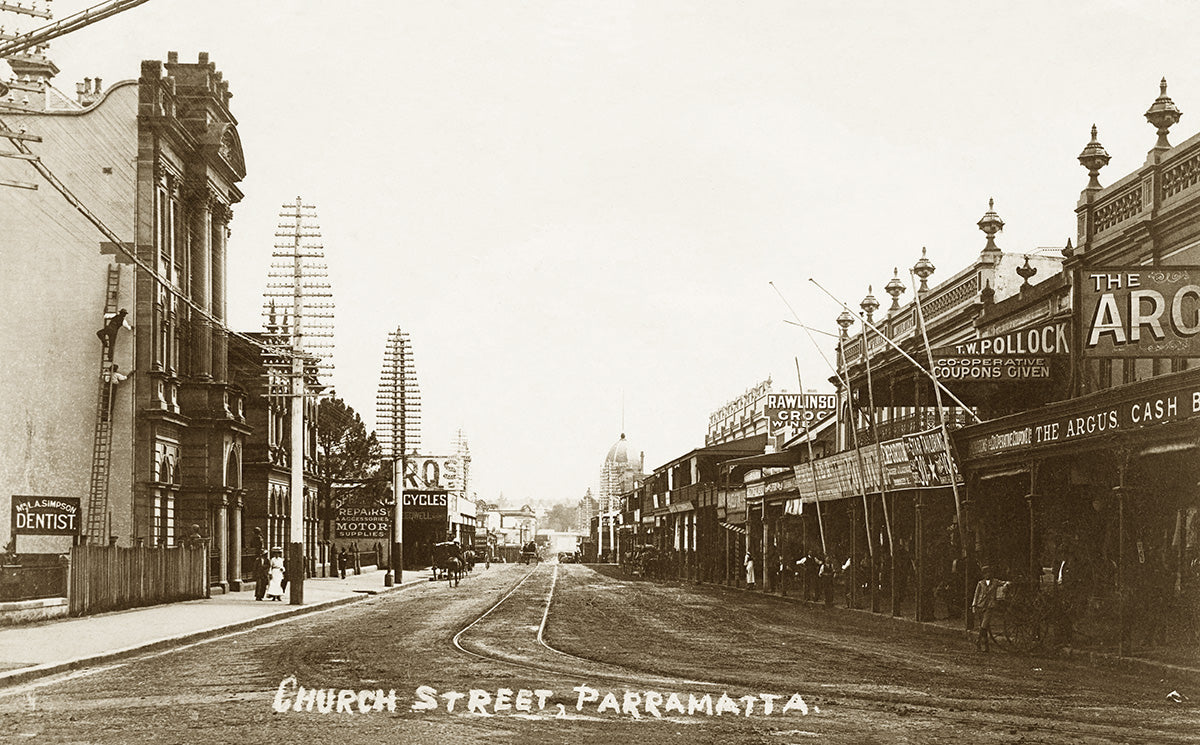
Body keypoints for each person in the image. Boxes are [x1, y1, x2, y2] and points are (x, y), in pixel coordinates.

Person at [972, 564, 1001, 652]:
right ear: (983, 575)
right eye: (985, 573)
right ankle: (986, 646)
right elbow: (976, 595)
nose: (987, 575)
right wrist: (974, 605)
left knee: (983, 625)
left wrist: (1008, 583)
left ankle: (978, 641)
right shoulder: (980, 583)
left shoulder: (995, 582)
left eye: (989, 573)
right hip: (980, 605)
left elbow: (1004, 583)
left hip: (990, 606)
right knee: (984, 626)